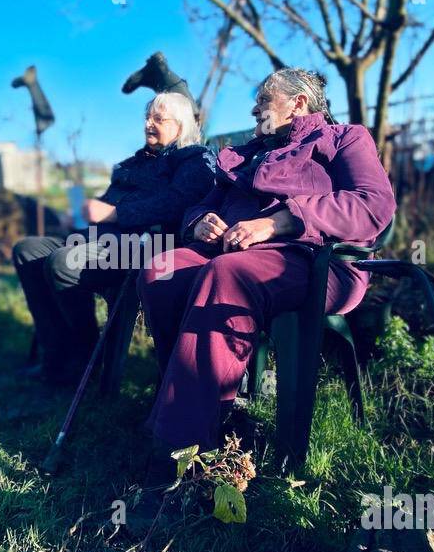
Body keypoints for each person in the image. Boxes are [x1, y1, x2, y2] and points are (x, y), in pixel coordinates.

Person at [137, 68, 396, 473]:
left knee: (228, 275)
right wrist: (200, 220)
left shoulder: (344, 138)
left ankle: (178, 448)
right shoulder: (246, 153)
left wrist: (277, 222)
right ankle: (199, 400)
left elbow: (372, 204)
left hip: (312, 259)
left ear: (297, 102)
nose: (255, 107)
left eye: (263, 99)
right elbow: (202, 203)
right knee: (162, 271)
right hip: (228, 252)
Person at [13, 91, 216, 384]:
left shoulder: (193, 160)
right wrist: (81, 217)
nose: (148, 123)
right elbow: (106, 205)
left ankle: (84, 357)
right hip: (99, 239)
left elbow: (176, 204)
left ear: (181, 126)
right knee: (28, 250)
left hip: (147, 246)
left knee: (63, 262)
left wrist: (113, 214)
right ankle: (56, 354)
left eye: (158, 118)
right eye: (147, 117)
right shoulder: (135, 163)